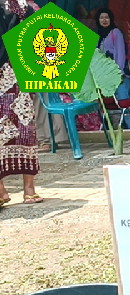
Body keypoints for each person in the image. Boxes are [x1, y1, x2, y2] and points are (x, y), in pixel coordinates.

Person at [1, 0, 43, 207]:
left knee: (26, 129)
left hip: (19, 74)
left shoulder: (24, 5)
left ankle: (29, 188)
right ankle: (0, 190)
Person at [96, 7, 130, 128]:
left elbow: (120, 53)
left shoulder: (116, 32)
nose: (104, 20)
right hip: (104, 76)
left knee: (123, 101)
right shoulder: (97, 35)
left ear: (111, 19)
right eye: (101, 18)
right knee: (108, 104)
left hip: (118, 75)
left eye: (106, 17)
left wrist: (119, 72)